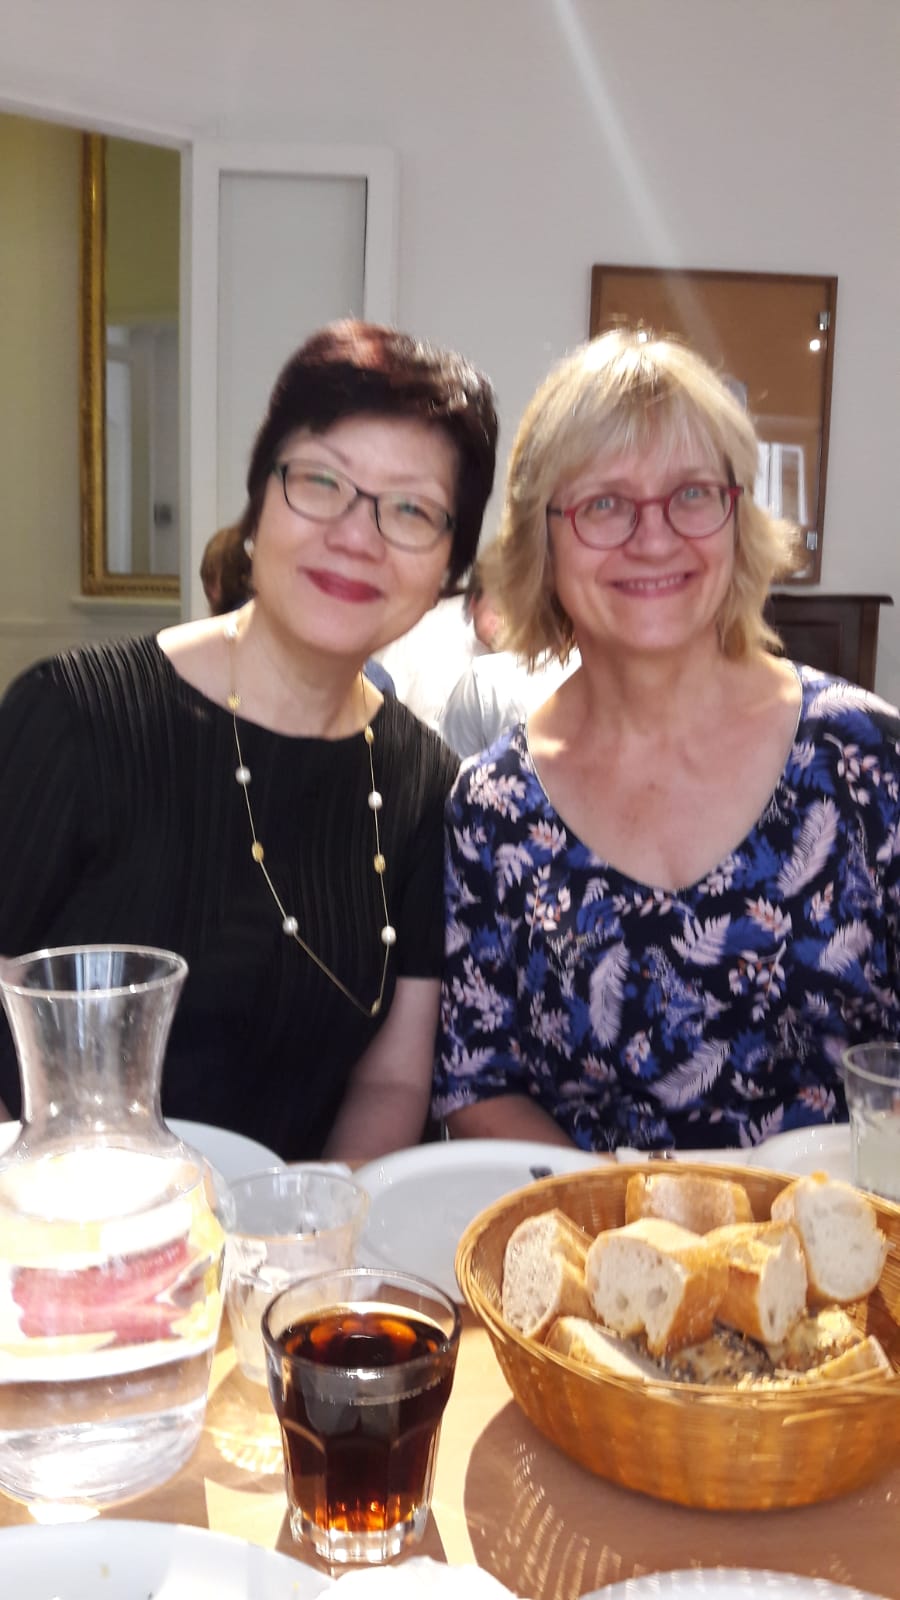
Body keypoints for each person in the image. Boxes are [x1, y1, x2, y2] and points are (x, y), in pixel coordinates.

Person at [0, 319, 497, 1160]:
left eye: (412, 509)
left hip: (297, 1232)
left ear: (450, 567)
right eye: (321, 480)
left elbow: (392, 1082)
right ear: (259, 498)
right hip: (51, 1214)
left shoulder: (424, 788)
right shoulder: (71, 719)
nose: (357, 535)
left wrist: (313, 1226)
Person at [433, 327, 900, 1154]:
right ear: (543, 540)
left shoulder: (866, 758)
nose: (654, 538)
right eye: (603, 504)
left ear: (736, 518)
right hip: (599, 1229)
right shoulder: (493, 807)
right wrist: (631, 1215)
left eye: (691, 493)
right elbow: (476, 1082)